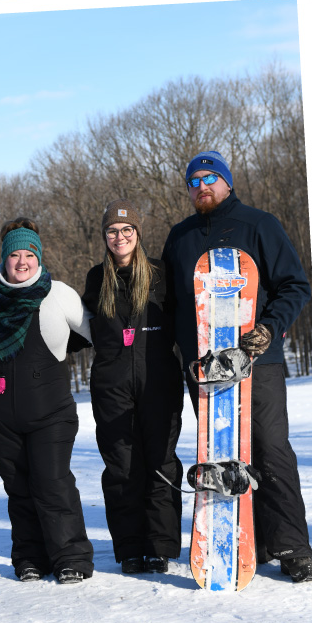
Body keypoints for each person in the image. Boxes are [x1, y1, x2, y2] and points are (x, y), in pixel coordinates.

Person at [160, 151, 312, 584]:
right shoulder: (179, 238)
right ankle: (245, 542)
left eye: (210, 178)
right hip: (205, 368)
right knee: (220, 455)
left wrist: (269, 329)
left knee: (270, 450)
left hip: (258, 362)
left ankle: (293, 548)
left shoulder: (259, 224)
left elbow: (295, 285)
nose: (202, 186)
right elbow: (172, 304)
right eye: (193, 181)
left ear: (227, 182)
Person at [0, 222, 96, 584]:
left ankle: (71, 557)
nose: (22, 262)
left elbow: (97, 333)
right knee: (18, 490)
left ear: (39, 257)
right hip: (0, 417)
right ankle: (30, 557)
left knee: (53, 482)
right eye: (15, 254)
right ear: (4, 259)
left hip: (50, 413)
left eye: (29, 254)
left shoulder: (58, 293)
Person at [82, 201, 183, 574]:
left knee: (160, 463)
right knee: (122, 468)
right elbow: (80, 326)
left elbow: (185, 319)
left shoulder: (160, 273)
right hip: (111, 387)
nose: (119, 237)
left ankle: (160, 546)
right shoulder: (97, 278)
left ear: (137, 234)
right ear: (105, 237)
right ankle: (129, 549)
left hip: (159, 382)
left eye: (127, 231)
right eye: (112, 231)